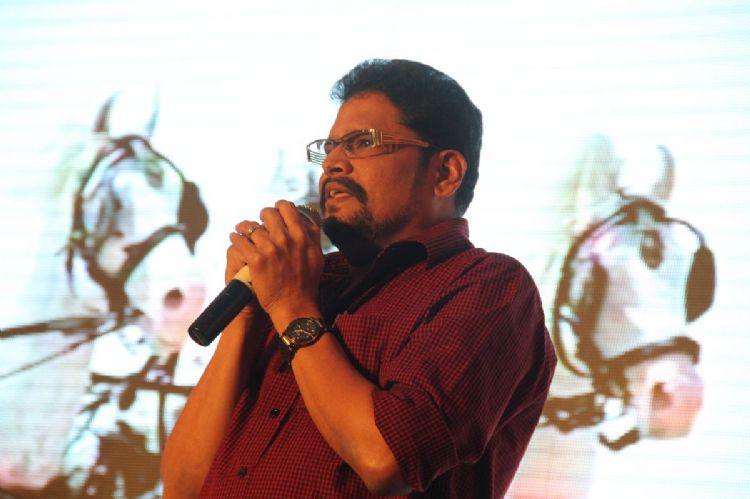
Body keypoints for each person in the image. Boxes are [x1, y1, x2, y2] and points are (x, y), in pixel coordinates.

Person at [161, 58, 556, 498]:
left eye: (362, 142)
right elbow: (182, 488)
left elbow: (385, 460)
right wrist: (246, 319)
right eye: (328, 148)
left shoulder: (488, 286)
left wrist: (290, 305)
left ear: (445, 174)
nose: (332, 164)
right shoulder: (306, 283)